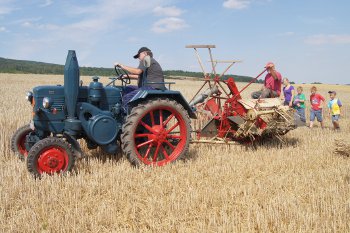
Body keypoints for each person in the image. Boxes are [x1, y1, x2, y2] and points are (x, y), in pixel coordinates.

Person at [114, 47, 166, 111]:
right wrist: (125, 76)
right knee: (128, 88)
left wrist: (121, 65)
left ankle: (125, 116)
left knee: (127, 98)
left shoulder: (146, 59)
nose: (138, 58)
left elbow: (137, 72)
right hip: (150, 86)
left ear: (145, 53)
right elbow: (139, 76)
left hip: (152, 87)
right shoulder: (149, 61)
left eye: (139, 55)